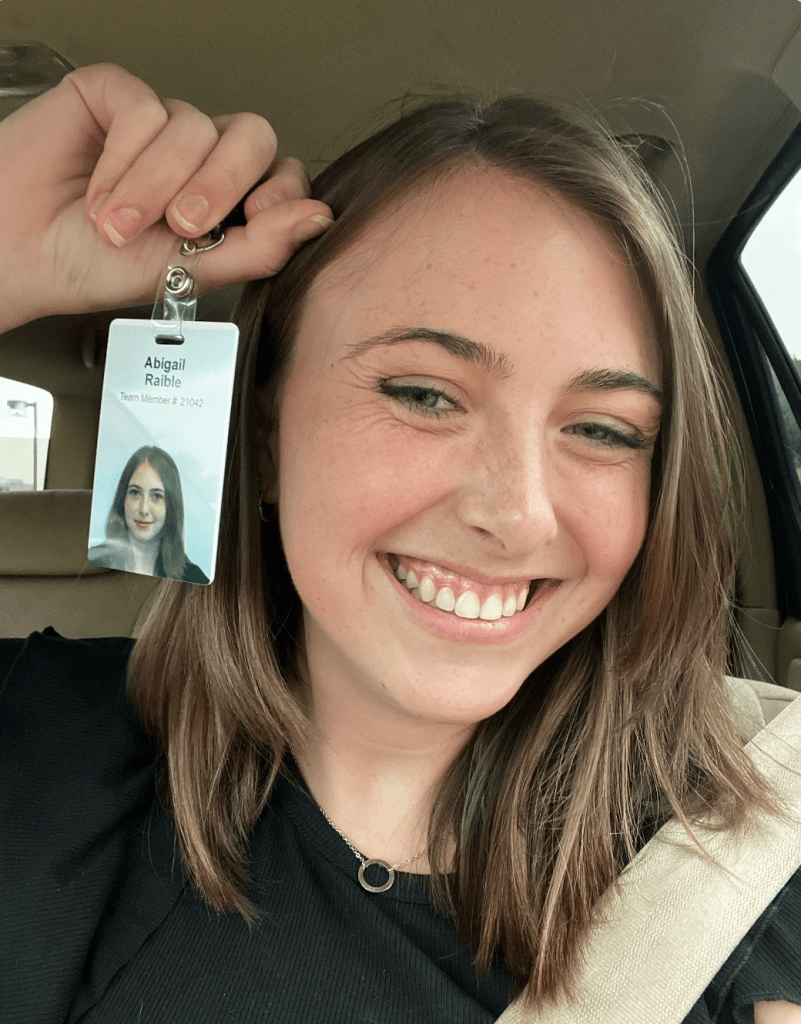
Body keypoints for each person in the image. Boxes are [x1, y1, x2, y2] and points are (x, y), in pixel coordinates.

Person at [1, 63, 800, 1024]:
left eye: (602, 430)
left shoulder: (748, 879)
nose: (518, 516)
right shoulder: (33, 740)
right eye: (424, 395)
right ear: (264, 434)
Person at [88, 444, 210, 584]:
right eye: (135, 492)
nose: (144, 509)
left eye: (156, 496)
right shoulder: (92, 560)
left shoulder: (193, 578)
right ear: (122, 499)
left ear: (170, 507)